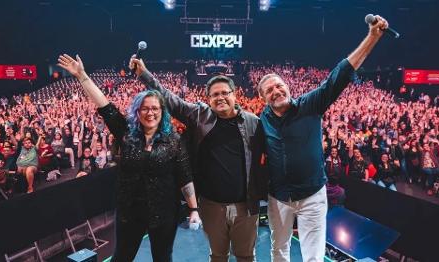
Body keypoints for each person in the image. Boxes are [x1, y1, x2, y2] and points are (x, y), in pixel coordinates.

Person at [255, 15, 389, 261]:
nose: (276, 91)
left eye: (279, 86)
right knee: (278, 250)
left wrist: (372, 37)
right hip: (279, 197)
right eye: (269, 90)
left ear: (288, 87)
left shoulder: (310, 104)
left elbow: (340, 74)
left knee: (314, 256)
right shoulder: (260, 121)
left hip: (312, 196)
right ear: (264, 98)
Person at [58, 53, 200, 262]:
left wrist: (194, 209)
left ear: (162, 112)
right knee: (122, 257)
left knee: (163, 257)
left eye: (155, 108)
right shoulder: (126, 132)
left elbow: (184, 176)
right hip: (129, 212)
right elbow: (105, 106)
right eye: (145, 108)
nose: (150, 113)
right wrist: (82, 76)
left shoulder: (173, 140)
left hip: (164, 213)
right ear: (137, 111)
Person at [129, 56, 266, 262]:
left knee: (246, 256)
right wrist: (144, 75)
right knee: (217, 256)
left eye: (224, 93)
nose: (220, 98)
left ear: (234, 94)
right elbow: (169, 99)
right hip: (211, 205)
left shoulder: (253, 122)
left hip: (245, 206)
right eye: (214, 95)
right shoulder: (199, 115)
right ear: (208, 99)